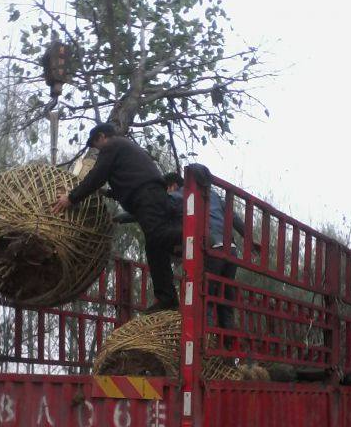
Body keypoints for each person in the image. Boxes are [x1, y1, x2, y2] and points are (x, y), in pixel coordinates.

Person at [51, 123, 181, 313]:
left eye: (96, 146)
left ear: (102, 137)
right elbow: (126, 179)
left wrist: (71, 198)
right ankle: (167, 298)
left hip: (146, 196)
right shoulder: (126, 148)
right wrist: (109, 193)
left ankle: (192, 235)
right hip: (151, 195)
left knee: (157, 236)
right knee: (155, 246)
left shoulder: (112, 146)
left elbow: (97, 175)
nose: (97, 151)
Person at [163, 170, 246, 334]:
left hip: (212, 248)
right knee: (225, 298)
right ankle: (227, 343)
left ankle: (205, 339)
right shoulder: (213, 194)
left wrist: (124, 216)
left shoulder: (181, 194)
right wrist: (248, 237)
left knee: (204, 297)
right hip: (231, 250)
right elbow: (233, 215)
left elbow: (156, 207)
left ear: (172, 186)